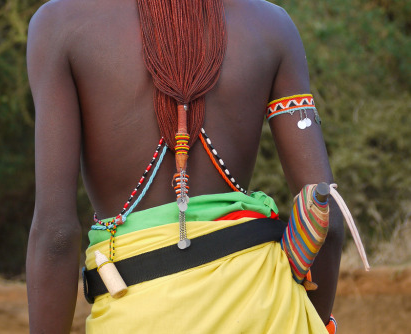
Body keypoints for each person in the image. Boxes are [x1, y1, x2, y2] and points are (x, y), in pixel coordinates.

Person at [26, 0, 344, 333]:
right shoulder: (270, 23)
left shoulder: (60, 23)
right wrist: (313, 321)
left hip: (137, 315)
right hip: (271, 314)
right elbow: (328, 217)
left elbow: (56, 236)